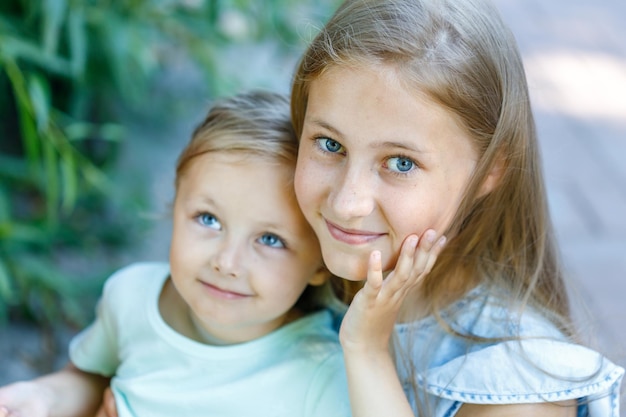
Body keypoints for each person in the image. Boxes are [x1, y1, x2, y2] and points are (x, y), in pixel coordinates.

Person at [0, 90, 433, 417]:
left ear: (321, 262)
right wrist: (44, 397)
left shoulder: (319, 374)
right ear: (175, 203)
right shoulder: (130, 298)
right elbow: (90, 378)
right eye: (208, 219)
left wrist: (366, 349)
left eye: (270, 240)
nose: (226, 262)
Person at [288, 0, 624, 416]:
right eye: (330, 144)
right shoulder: (277, 256)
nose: (347, 202)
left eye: (401, 163)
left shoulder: (525, 394)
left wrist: (368, 352)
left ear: (490, 170)